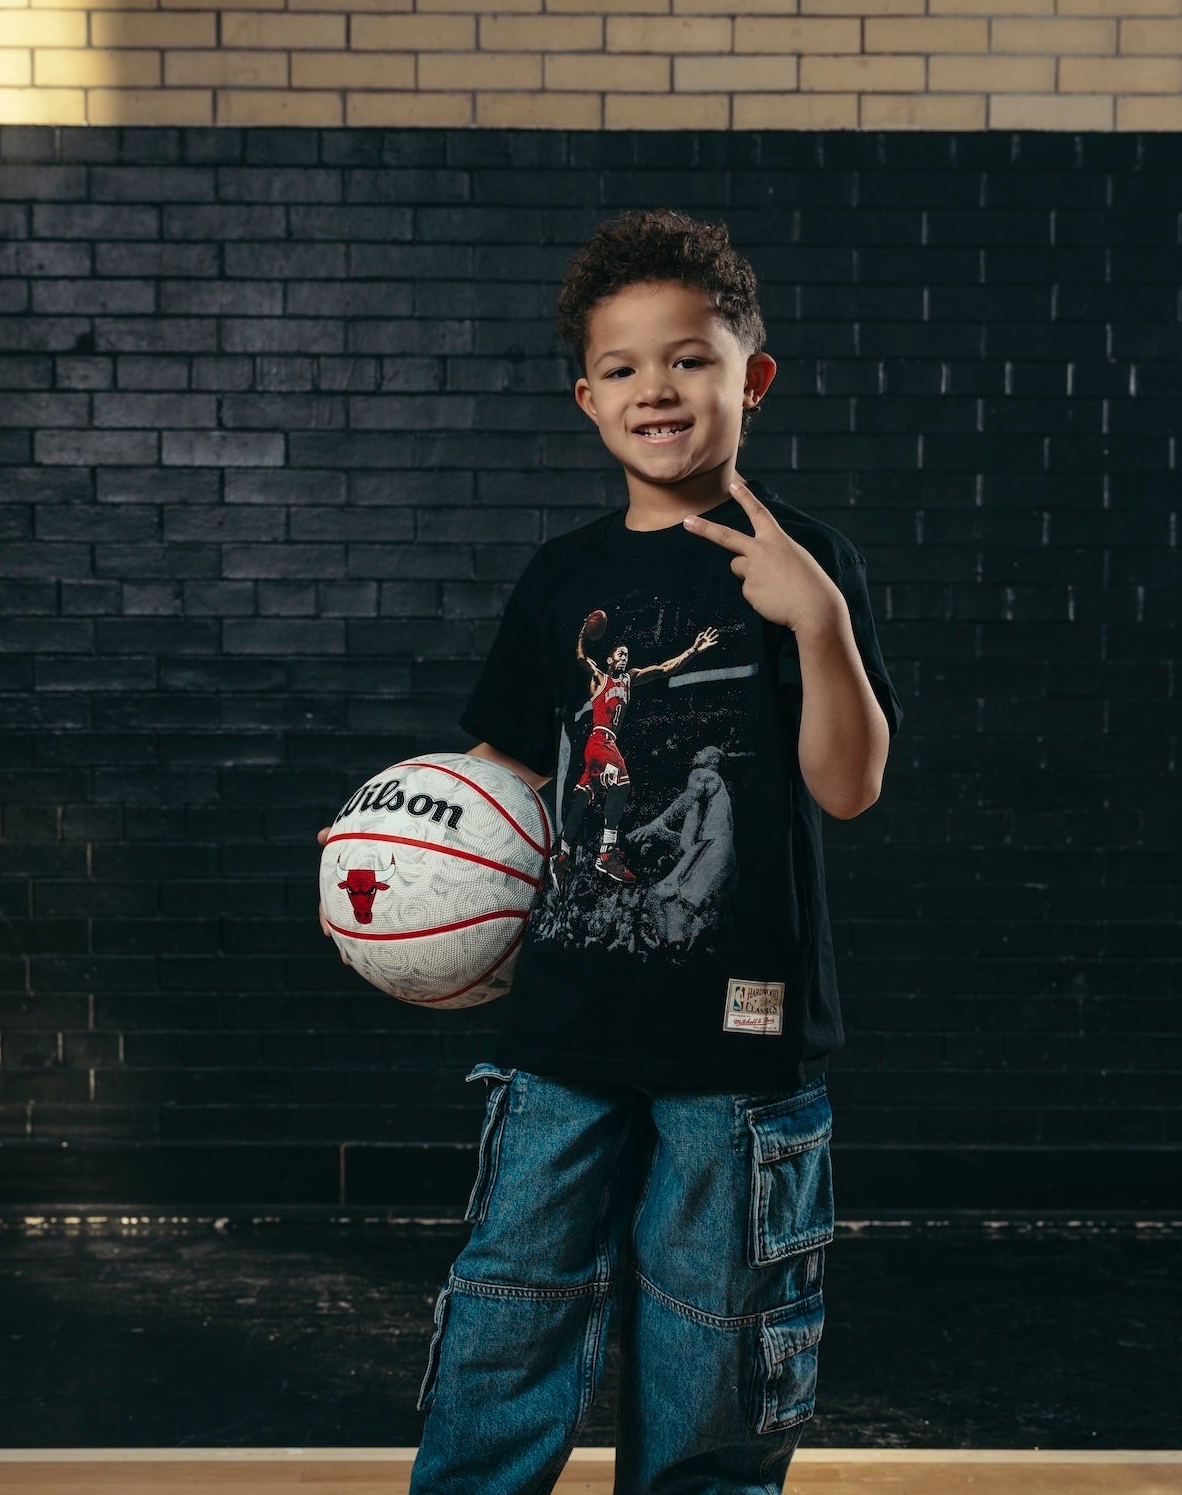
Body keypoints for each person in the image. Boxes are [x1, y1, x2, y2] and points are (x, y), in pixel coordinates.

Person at [318, 206, 903, 1494]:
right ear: (587, 398)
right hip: (563, 1032)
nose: (659, 389)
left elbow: (847, 789)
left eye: (690, 359)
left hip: (739, 1042)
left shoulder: (814, 566)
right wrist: (392, 832)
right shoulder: (561, 578)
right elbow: (509, 779)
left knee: (716, 1327)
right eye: (627, 367)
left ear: (750, 378)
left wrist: (817, 625)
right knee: (512, 1303)